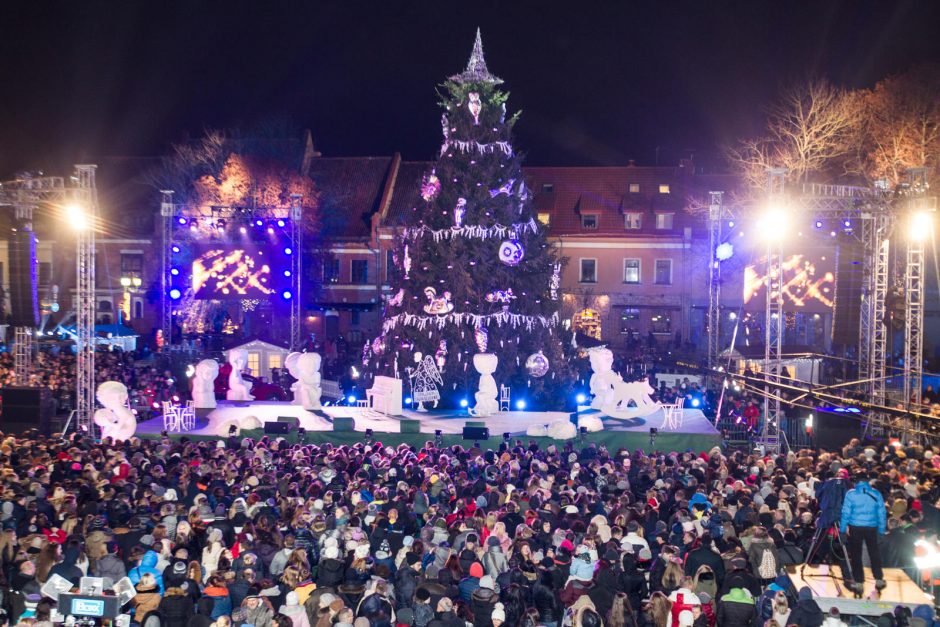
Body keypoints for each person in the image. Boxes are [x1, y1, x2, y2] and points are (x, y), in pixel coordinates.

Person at [840, 471, 887, 593]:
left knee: (856, 554)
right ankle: (879, 579)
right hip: (872, 527)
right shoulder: (876, 493)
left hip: (855, 527)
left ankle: (859, 582)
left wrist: (842, 530)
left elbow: (845, 513)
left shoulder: (851, 494)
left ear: (856, 481)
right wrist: (881, 531)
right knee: (874, 553)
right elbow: (882, 513)